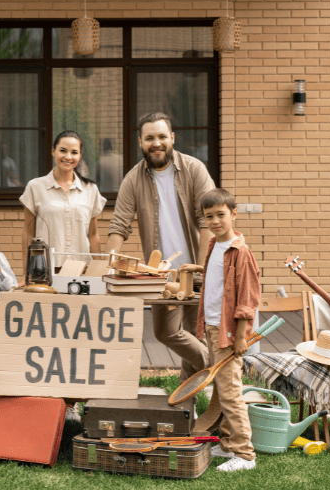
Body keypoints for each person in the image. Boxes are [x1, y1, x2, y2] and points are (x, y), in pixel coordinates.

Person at [106, 112, 214, 382]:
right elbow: (119, 225)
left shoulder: (194, 169)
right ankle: (215, 366)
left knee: (194, 333)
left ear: (172, 138)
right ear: (141, 141)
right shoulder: (133, 179)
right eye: (150, 138)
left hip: (196, 269)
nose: (157, 143)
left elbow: (207, 221)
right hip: (160, 275)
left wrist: (203, 270)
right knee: (165, 332)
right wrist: (106, 267)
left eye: (162, 137)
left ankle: (187, 404)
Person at [179, 188, 259, 472]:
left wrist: (239, 336)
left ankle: (245, 455)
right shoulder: (215, 246)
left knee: (231, 392)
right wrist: (198, 269)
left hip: (227, 333)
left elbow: (247, 299)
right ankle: (227, 445)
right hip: (213, 326)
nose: (215, 221)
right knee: (222, 390)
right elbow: (217, 278)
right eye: (209, 216)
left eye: (221, 215)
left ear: (234, 214)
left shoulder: (241, 252)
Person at [20, 130, 107, 285]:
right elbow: (28, 233)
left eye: (74, 152)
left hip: (83, 271)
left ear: (80, 156)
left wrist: (99, 271)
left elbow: (93, 235)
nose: (68, 157)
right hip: (46, 273)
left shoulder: (91, 189)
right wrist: (26, 274)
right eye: (63, 150)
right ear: (53, 151)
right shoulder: (35, 187)